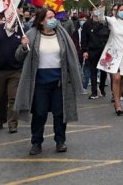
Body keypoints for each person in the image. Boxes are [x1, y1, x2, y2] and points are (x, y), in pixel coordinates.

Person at [14, 8, 83, 155]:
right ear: (41, 21)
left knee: (60, 113)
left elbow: (71, 55)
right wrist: (24, 46)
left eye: (54, 17)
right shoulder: (31, 35)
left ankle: (60, 141)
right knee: (40, 113)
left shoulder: (62, 34)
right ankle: (36, 142)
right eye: (50, 17)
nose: (54, 20)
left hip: (59, 81)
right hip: (39, 82)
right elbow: (18, 57)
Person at [0, 15, 24, 133]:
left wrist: (25, 45)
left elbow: (25, 50)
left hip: (15, 70)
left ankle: (13, 124)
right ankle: (0, 119)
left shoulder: (21, 31)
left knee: (13, 97)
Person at [97, 3, 123, 115]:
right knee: (116, 78)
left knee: (122, 78)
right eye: (121, 9)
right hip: (113, 53)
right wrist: (100, 8)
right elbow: (101, 18)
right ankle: (117, 103)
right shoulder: (112, 21)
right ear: (117, 11)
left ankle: (118, 98)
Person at [81, 9, 110, 99]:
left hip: (104, 51)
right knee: (93, 71)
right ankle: (94, 92)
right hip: (92, 50)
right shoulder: (87, 24)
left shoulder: (104, 23)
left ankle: (101, 88)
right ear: (91, 12)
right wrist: (84, 50)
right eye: (95, 10)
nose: (97, 12)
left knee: (103, 71)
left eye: (99, 10)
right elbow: (84, 38)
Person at [71, 13, 88, 92]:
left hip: (87, 52)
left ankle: (84, 86)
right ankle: (79, 85)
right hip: (78, 53)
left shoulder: (89, 31)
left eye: (84, 20)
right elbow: (74, 43)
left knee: (86, 71)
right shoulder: (75, 32)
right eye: (81, 20)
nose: (82, 21)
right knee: (78, 69)